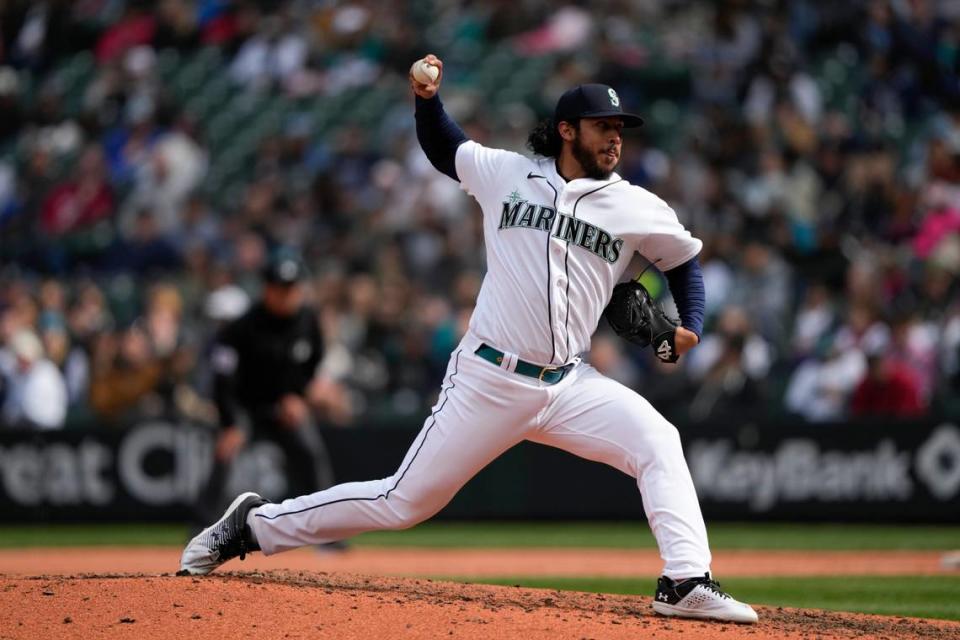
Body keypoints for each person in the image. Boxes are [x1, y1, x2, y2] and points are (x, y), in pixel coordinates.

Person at [180, 54, 758, 624]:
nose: (614, 138)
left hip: (569, 383)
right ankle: (252, 526)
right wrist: (426, 100)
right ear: (565, 130)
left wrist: (692, 325)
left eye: (619, 129)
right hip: (488, 378)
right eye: (602, 126)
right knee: (400, 503)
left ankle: (684, 581)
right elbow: (444, 146)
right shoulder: (508, 174)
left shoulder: (635, 204)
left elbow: (684, 262)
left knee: (658, 439)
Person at [192, 253, 339, 530]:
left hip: (282, 406)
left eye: (293, 288)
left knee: (310, 451)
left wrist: (297, 395)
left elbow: (312, 362)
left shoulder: (308, 320)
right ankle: (200, 529)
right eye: (280, 288)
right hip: (244, 406)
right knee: (225, 454)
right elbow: (222, 378)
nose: (287, 295)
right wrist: (230, 422)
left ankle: (326, 531)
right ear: (267, 289)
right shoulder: (241, 327)